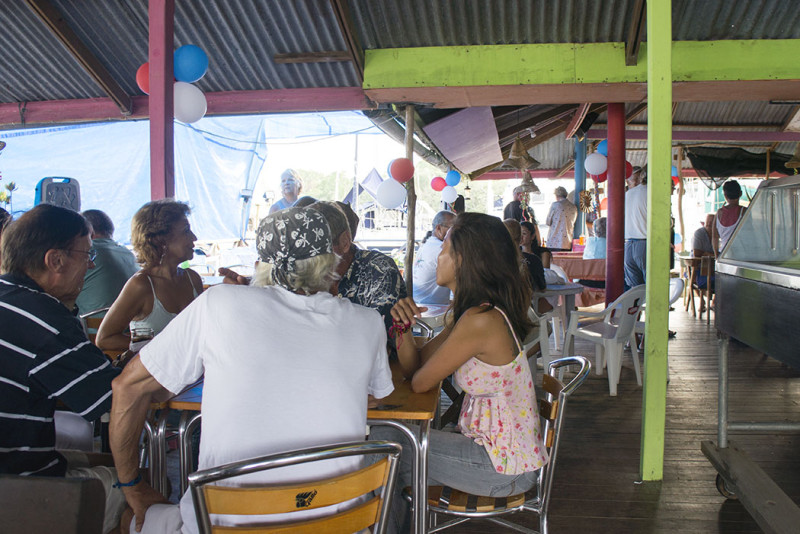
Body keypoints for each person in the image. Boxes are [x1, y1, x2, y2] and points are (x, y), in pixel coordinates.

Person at [109, 207, 393, 533]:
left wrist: (132, 486)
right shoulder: (367, 323)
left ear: (263, 262)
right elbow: (376, 396)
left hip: (226, 525)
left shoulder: (221, 303)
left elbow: (128, 387)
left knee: (129, 517)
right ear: (332, 257)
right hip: (338, 524)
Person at [372, 212, 546, 532]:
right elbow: (416, 367)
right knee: (390, 450)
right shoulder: (472, 312)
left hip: (500, 465)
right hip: (491, 452)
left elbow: (422, 382)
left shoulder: (481, 320)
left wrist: (403, 329)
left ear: (463, 259)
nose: (437, 255)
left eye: (444, 249)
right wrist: (401, 328)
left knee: (382, 444)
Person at [0, 204, 127, 533]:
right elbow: (112, 399)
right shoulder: (46, 320)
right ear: (55, 260)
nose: (91, 265)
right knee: (134, 485)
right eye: (87, 255)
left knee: (106, 463)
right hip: (17, 488)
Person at [96, 200, 203, 351]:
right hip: (155, 372)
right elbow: (104, 339)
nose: (194, 238)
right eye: (186, 231)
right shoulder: (141, 285)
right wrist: (157, 346)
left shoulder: (192, 279)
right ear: (160, 240)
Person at [76, 209, 140, 316]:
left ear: (90, 231)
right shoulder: (128, 253)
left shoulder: (86, 252)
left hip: (94, 329)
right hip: (131, 328)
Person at [412, 210, 455, 305]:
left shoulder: (428, 244)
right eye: (453, 228)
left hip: (418, 301)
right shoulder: (441, 249)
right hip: (430, 307)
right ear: (438, 228)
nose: (456, 232)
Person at [624, 167, 648, 290]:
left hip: (629, 245)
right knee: (651, 287)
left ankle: (636, 310)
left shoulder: (628, 194)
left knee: (635, 292)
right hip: (644, 244)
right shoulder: (651, 192)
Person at [713, 179, 746, 256]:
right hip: (741, 255)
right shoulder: (744, 211)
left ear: (725, 195)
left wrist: (716, 254)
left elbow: (714, 237)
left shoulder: (719, 213)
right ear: (740, 194)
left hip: (724, 254)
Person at [545, 186, 578, 250]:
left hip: (554, 242)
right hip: (567, 242)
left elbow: (548, 222)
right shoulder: (574, 207)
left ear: (557, 195)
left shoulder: (555, 205)